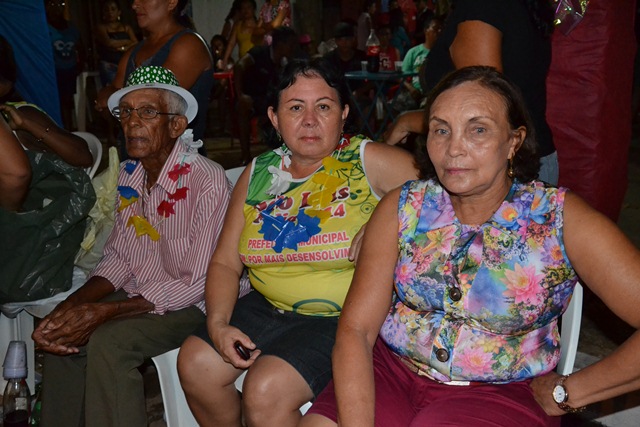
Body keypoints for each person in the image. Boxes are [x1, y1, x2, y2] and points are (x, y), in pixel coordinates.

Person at [301, 65, 640, 426]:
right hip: (389, 373)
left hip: (500, 393)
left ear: (513, 141)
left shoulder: (559, 218)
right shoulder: (405, 206)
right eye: (441, 130)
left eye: (478, 130)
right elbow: (356, 331)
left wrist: (571, 393)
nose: (454, 149)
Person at [177, 57, 419, 427]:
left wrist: (386, 217)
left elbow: (438, 193)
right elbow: (225, 262)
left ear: (344, 114)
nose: (309, 120)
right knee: (196, 363)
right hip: (267, 306)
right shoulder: (258, 173)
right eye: (295, 108)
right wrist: (218, 324)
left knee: (266, 388)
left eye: (323, 107)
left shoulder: (368, 160)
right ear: (274, 118)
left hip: (343, 317)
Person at [32, 65, 231, 427]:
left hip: (198, 304)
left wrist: (107, 312)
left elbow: (199, 282)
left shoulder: (207, 180)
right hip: (142, 292)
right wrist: (71, 306)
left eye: (147, 112)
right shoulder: (130, 174)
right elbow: (120, 258)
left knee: (111, 342)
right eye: (125, 112)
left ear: (176, 125)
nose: (132, 122)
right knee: (66, 328)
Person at [385, 0, 558, 185]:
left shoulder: (482, 7)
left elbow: (483, 109)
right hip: (520, 159)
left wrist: (408, 121)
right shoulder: (514, 7)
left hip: (502, 168)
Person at [95, 0, 213, 149]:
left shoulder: (189, 45)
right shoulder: (133, 53)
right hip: (136, 157)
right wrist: (108, 99)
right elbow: (109, 101)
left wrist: (114, 99)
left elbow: (153, 104)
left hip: (177, 159)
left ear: (171, 2)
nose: (134, 5)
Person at [233, 26, 299, 165]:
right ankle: (245, 155)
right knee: (242, 107)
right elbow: (239, 66)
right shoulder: (259, 53)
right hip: (253, 98)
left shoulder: (287, 62)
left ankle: (287, 152)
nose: (294, 48)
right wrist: (241, 95)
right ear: (281, 44)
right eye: (291, 44)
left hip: (273, 100)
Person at [45, 0, 84, 131]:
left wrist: (80, 65)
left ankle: (68, 129)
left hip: (69, 70)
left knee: (67, 101)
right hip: (52, 71)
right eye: (52, 5)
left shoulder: (72, 29)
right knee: (56, 100)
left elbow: (81, 48)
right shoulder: (44, 28)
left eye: (59, 4)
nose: (56, 8)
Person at [392, 12, 442, 112]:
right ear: (426, 31)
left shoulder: (443, 54)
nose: (439, 32)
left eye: (441, 29)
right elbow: (401, 76)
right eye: (435, 29)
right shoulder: (414, 52)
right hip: (414, 92)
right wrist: (411, 89)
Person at [95, 0, 138, 86]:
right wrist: (127, 41)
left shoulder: (126, 27)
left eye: (113, 9)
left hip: (126, 65)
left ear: (119, 12)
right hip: (109, 65)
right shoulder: (101, 28)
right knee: (116, 89)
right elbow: (109, 43)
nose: (110, 12)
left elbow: (136, 43)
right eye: (106, 10)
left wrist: (122, 48)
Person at [221, 0, 257, 70]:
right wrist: (225, 59)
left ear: (253, 9)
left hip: (257, 62)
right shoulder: (237, 25)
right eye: (243, 8)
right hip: (243, 62)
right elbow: (231, 44)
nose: (246, 10)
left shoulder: (259, 25)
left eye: (248, 7)